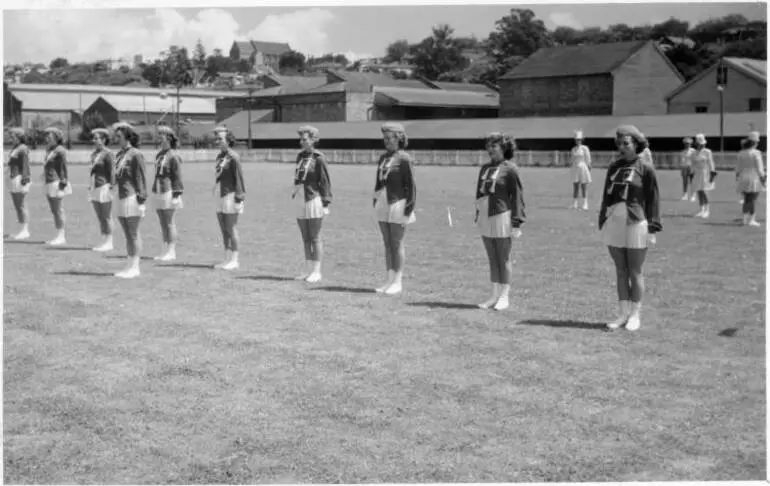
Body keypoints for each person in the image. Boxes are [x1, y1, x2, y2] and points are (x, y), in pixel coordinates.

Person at [598, 125, 662, 332]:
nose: (621, 148)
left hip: (636, 222)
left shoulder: (646, 168)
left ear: (636, 144)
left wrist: (653, 226)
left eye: (626, 144)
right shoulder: (614, 167)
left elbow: (653, 199)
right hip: (614, 221)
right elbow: (606, 196)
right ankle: (623, 313)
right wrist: (603, 218)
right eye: (619, 144)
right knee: (620, 270)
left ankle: (635, 314)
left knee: (635, 271)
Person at [475, 132, 526, 311]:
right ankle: (494, 294)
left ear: (504, 148)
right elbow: (479, 193)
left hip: (502, 216)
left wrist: (517, 222)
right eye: (488, 146)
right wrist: (477, 214)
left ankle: (505, 295)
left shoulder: (510, 169)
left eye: (494, 146)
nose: (490, 149)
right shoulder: (484, 168)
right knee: (492, 257)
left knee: (503, 258)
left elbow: (517, 196)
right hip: (485, 216)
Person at [373, 122, 417, 295]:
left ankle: (397, 281)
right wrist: (375, 200)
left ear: (399, 138)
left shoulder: (405, 158)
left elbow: (411, 186)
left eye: (389, 138)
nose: (386, 141)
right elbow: (378, 181)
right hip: (383, 202)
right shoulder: (383, 158)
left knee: (396, 243)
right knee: (387, 243)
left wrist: (409, 209)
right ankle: (389, 280)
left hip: (398, 202)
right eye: (384, 138)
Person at [292, 125, 333, 282]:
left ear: (313, 140)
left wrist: (325, 202)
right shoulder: (300, 156)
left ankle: (317, 271)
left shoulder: (319, 158)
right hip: (300, 198)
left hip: (313, 198)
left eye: (305, 139)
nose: (301, 141)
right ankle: (308, 270)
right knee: (305, 237)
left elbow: (325, 181)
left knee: (315, 237)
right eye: (300, 139)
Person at [113, 122, 148, 279]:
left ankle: (135, 267)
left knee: (133, 233)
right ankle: (129, 264)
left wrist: (141, 199)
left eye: (119, 136)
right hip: (121, 195)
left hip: (132, 196)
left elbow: (140, 177)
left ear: (127, 137)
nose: (116, 138)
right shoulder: (120, 154)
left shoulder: (136, 154)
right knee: (127, 234)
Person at [212, 127, 245, 270]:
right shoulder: (220, 156)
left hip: (231, 195)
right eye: (217, 139)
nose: (217, 141)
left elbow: (239, 179)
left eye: (220, 139)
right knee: (223, 229)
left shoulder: (233, 157)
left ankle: (235, 259)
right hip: (220, 194)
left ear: (228, 140)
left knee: (231, 228)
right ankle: (226, 258)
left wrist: (239, 198)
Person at [151, 125, 184, 261]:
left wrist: (176, 194)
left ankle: (172, 250)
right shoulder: (159, 154)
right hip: (158, 189)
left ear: (169, 137)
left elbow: (177, 176)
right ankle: (164, 249)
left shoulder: (173, 155)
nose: (159, 136)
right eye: (158, 134)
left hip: (168, 191)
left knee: (169, 222)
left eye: (162, 134)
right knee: (162, 222)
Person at [42, 126, 72, 246]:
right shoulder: (50, 150)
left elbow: (63, 167)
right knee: (54, 210)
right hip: (49, 181)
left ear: (56, 138)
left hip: (56, 182)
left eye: (49, 137)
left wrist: (63, 181)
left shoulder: (60, 150)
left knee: (58, 209)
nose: (47, 139)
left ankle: (61, 235)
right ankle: (58, 233)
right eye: (47, 137)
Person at [88, 128, 116, 252]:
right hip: (95, 186)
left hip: (104, 186)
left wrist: (112, 186)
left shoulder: (108, 153)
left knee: (106, 215)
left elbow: (112, 171)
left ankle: (109, 241)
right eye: (93, 138)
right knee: (99, 216)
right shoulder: (94, 154)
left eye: (97, 138)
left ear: (104, 140)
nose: (94, 140)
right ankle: (104, 239)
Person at [736, 131, 765, 227]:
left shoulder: (741, 153)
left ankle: (745, 218)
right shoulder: (756, 153)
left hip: (743, 177)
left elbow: (738, 168)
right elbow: (759, 168)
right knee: (752, 200)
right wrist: (763, 178)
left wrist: (737, 177)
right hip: (753, 178)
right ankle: (751, 219)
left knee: (747, 199)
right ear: (755, 143)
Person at [6, 127, 32, 240]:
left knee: (21, 204)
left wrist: (25, 178)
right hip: (13, 177)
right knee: (17, 205)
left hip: (19, 178)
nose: (11, 138)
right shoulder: (15, 148)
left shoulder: (23, 148)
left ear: (19, 137)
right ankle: (21, 227)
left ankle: (25, 229)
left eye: (13, 136)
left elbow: (25, 164)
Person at [689, 133, 716, 218]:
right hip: (697, 173)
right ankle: (701, 210)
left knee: (704, 191)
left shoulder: (707, 152)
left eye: (702, 144)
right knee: (699, 191)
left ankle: (707, 210)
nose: (701, 145)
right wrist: (691, 174)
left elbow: (711, 163)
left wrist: (712, 173)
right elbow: (693, 165)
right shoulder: (693, 153)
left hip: (705, 173)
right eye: (699, 144)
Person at [569, 130, 592, 211]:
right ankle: (574, 204)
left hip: (583, 168)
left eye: (579, 139)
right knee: (575, 186)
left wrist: (589, 170)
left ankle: (585, 204)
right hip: (575, 168)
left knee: (583, 186)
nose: (578, 141)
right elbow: (572, 160)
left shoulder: (585, 148)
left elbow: (588, 160)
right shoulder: (573, 149)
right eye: (576, 139)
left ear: (581, 140)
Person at [679, 137, 695, 201]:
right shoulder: (682, 152)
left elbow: (694, 160)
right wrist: (681, 169)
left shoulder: (693, 151)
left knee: (692, 182)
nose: (687, 144)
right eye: (685, 143)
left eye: (688, 143)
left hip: (691, 167)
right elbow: (682, 161)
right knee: (685, 182)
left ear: (690, 144)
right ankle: (685, 195)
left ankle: (693, 195)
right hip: (684, 168)